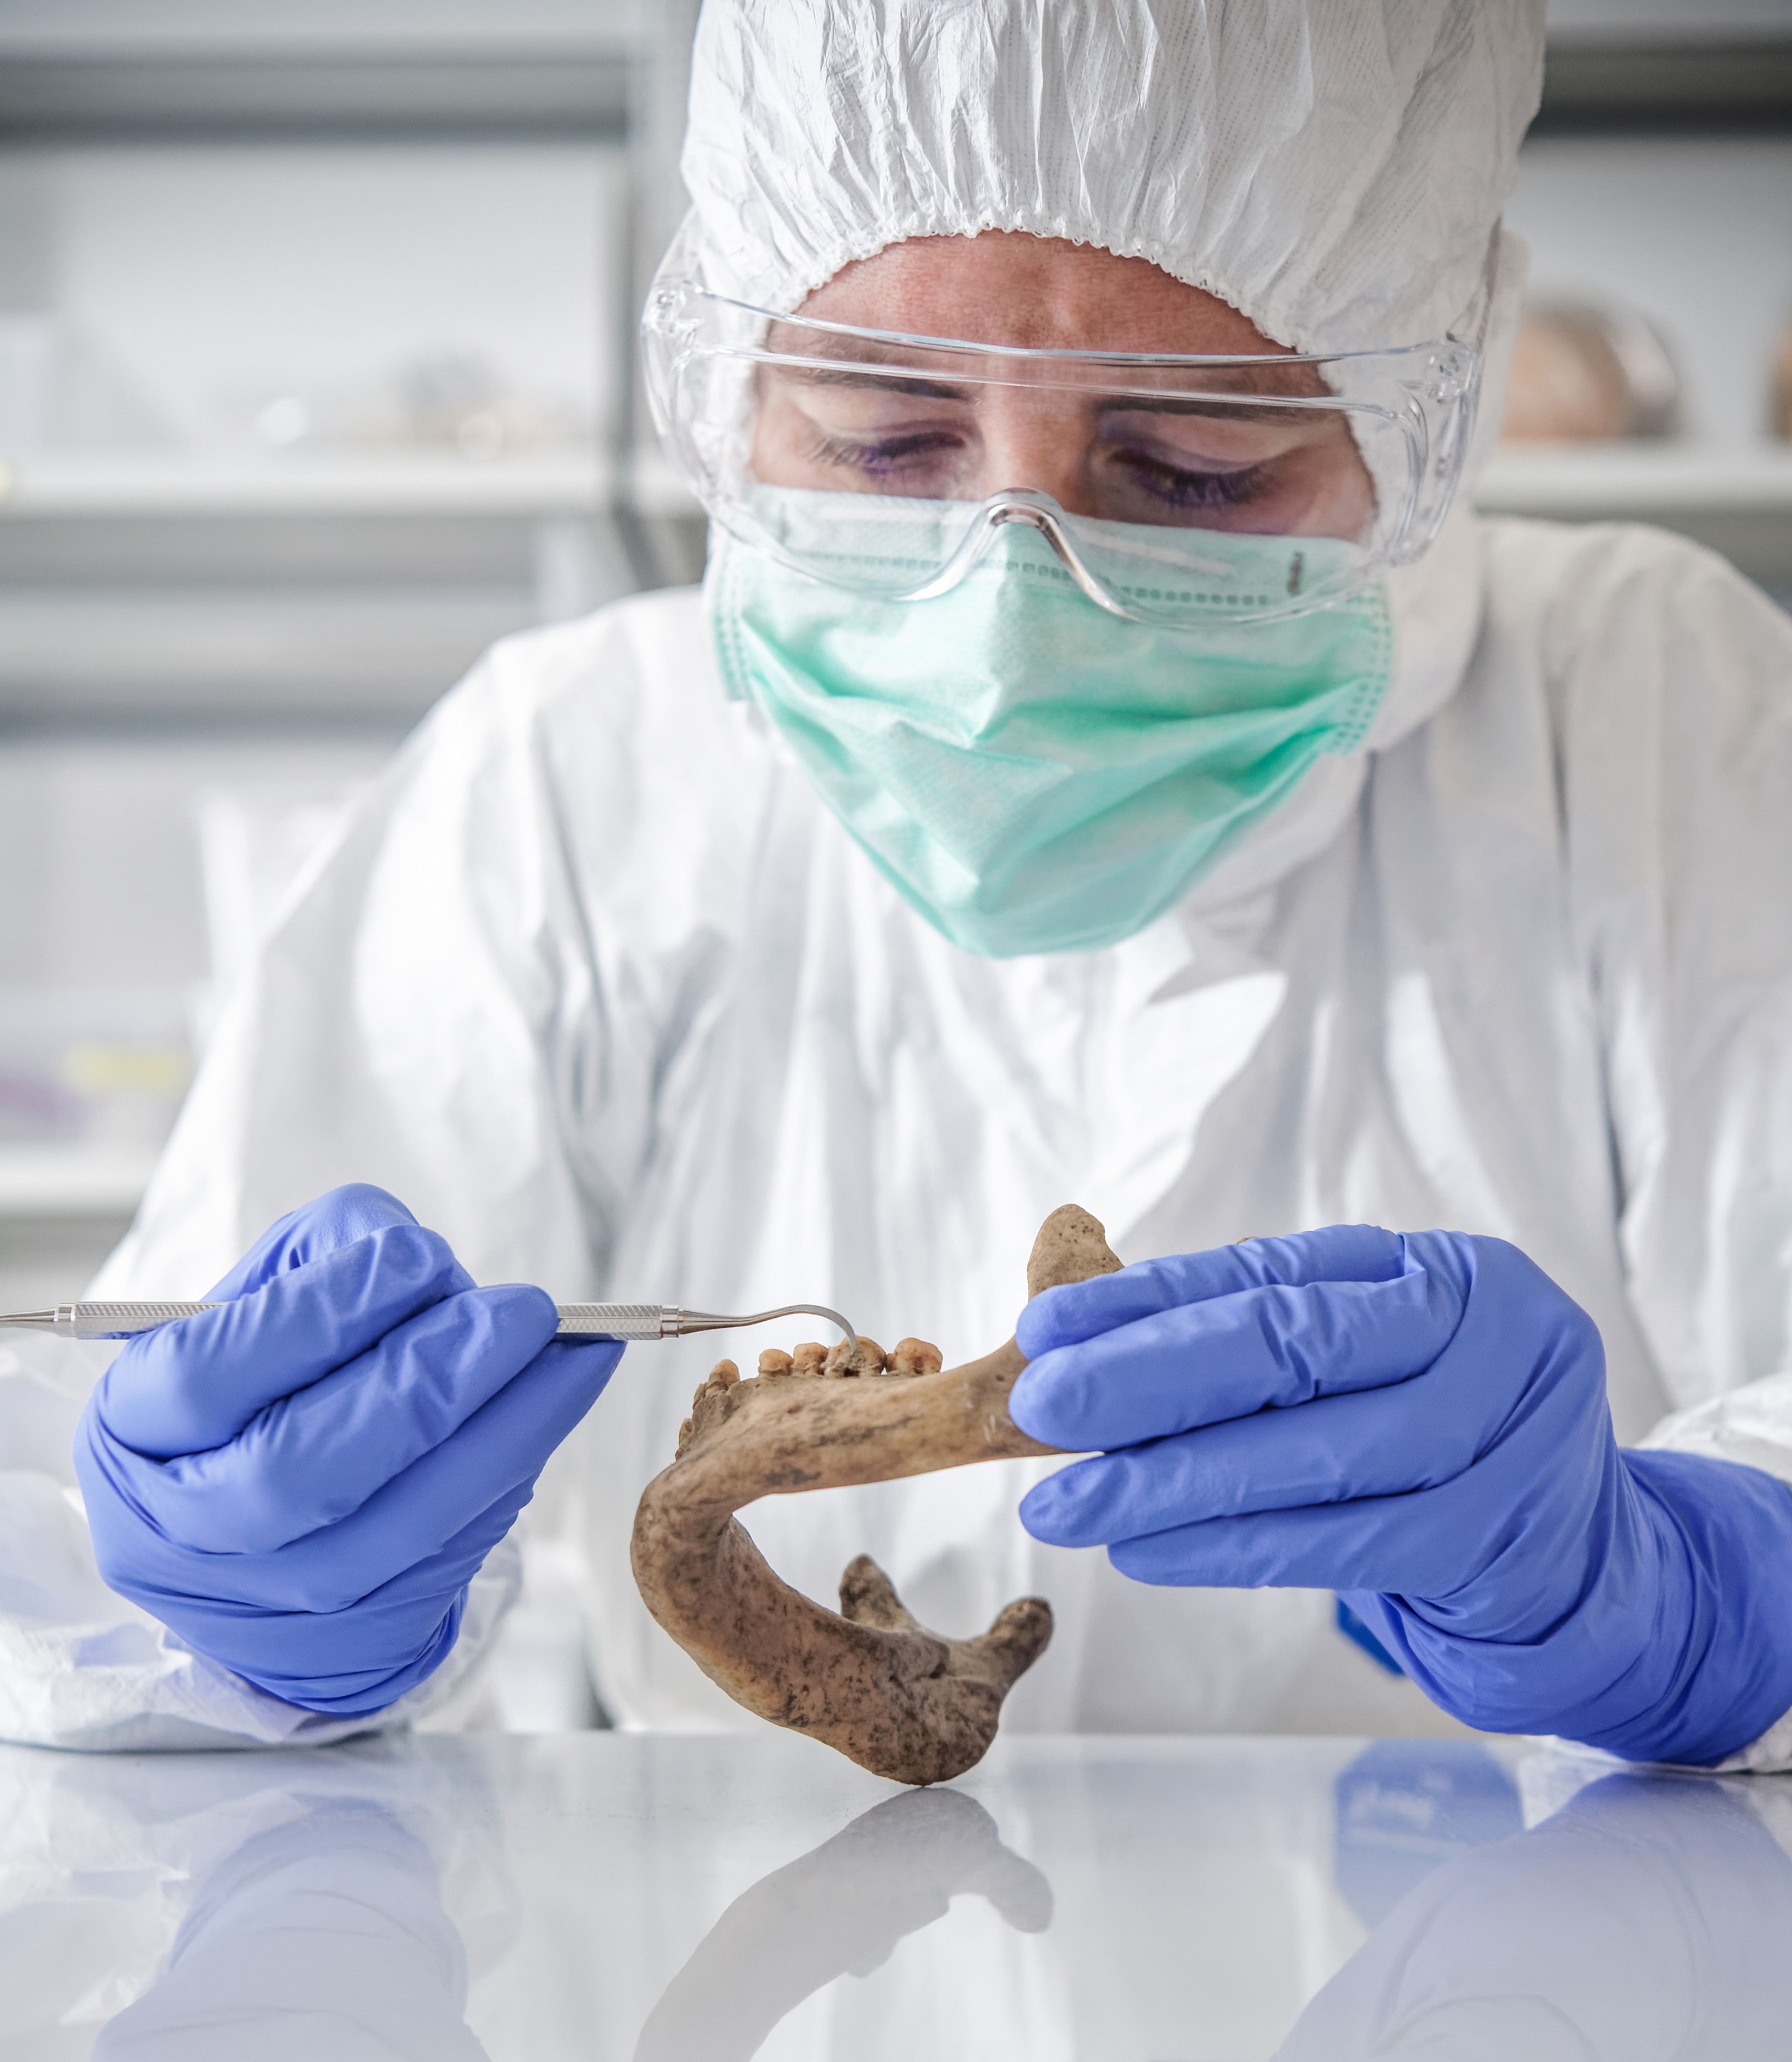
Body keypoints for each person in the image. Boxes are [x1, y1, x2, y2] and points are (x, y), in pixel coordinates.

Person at [5, 0, 1792, 1765]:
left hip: (1541, 1938)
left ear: (1418, 433)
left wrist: (1694, 1590)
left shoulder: (1656, 712)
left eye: (1196, 471)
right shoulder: (570, 767)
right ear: (735, 392)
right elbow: (97, 1566)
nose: (1010, 620)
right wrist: (235, 1614)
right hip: (739, 1934)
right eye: (880, 439)